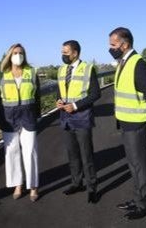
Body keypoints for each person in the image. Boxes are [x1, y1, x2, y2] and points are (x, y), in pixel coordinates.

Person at [108, 27, 146, 220]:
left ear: (124, 44)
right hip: (127, 122)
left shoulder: (138, 64)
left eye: (113, 44)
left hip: (138, 122)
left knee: (140, 164)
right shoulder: (123, 62)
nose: (110, 48)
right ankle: (137, 198)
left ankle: (144, 204)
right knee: (133, 164)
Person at [0, 43, 42, 202]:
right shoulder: (2, 74)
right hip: (9, 118)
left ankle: (33, 186)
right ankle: (17, 185)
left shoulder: (31, 72)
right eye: (15, 52)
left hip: (28, 117)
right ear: (9, 55)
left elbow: (37, 96)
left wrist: (37, 115)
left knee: (30, 152)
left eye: (20, 52)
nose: (18, 55)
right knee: (12, 153)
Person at [56, 40, 101, 204]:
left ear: (75, 53)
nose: (63, 55)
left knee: (86, 154)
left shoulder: (88, 69)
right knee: (72, 154)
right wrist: (58, 101)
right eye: (62, 52)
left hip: (81, 118)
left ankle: (92, 188)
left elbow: (96, 94)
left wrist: (75, 105)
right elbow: (59, 91)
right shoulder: (61, 70)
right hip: (65, 118)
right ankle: (76, 183)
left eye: (66, 52)